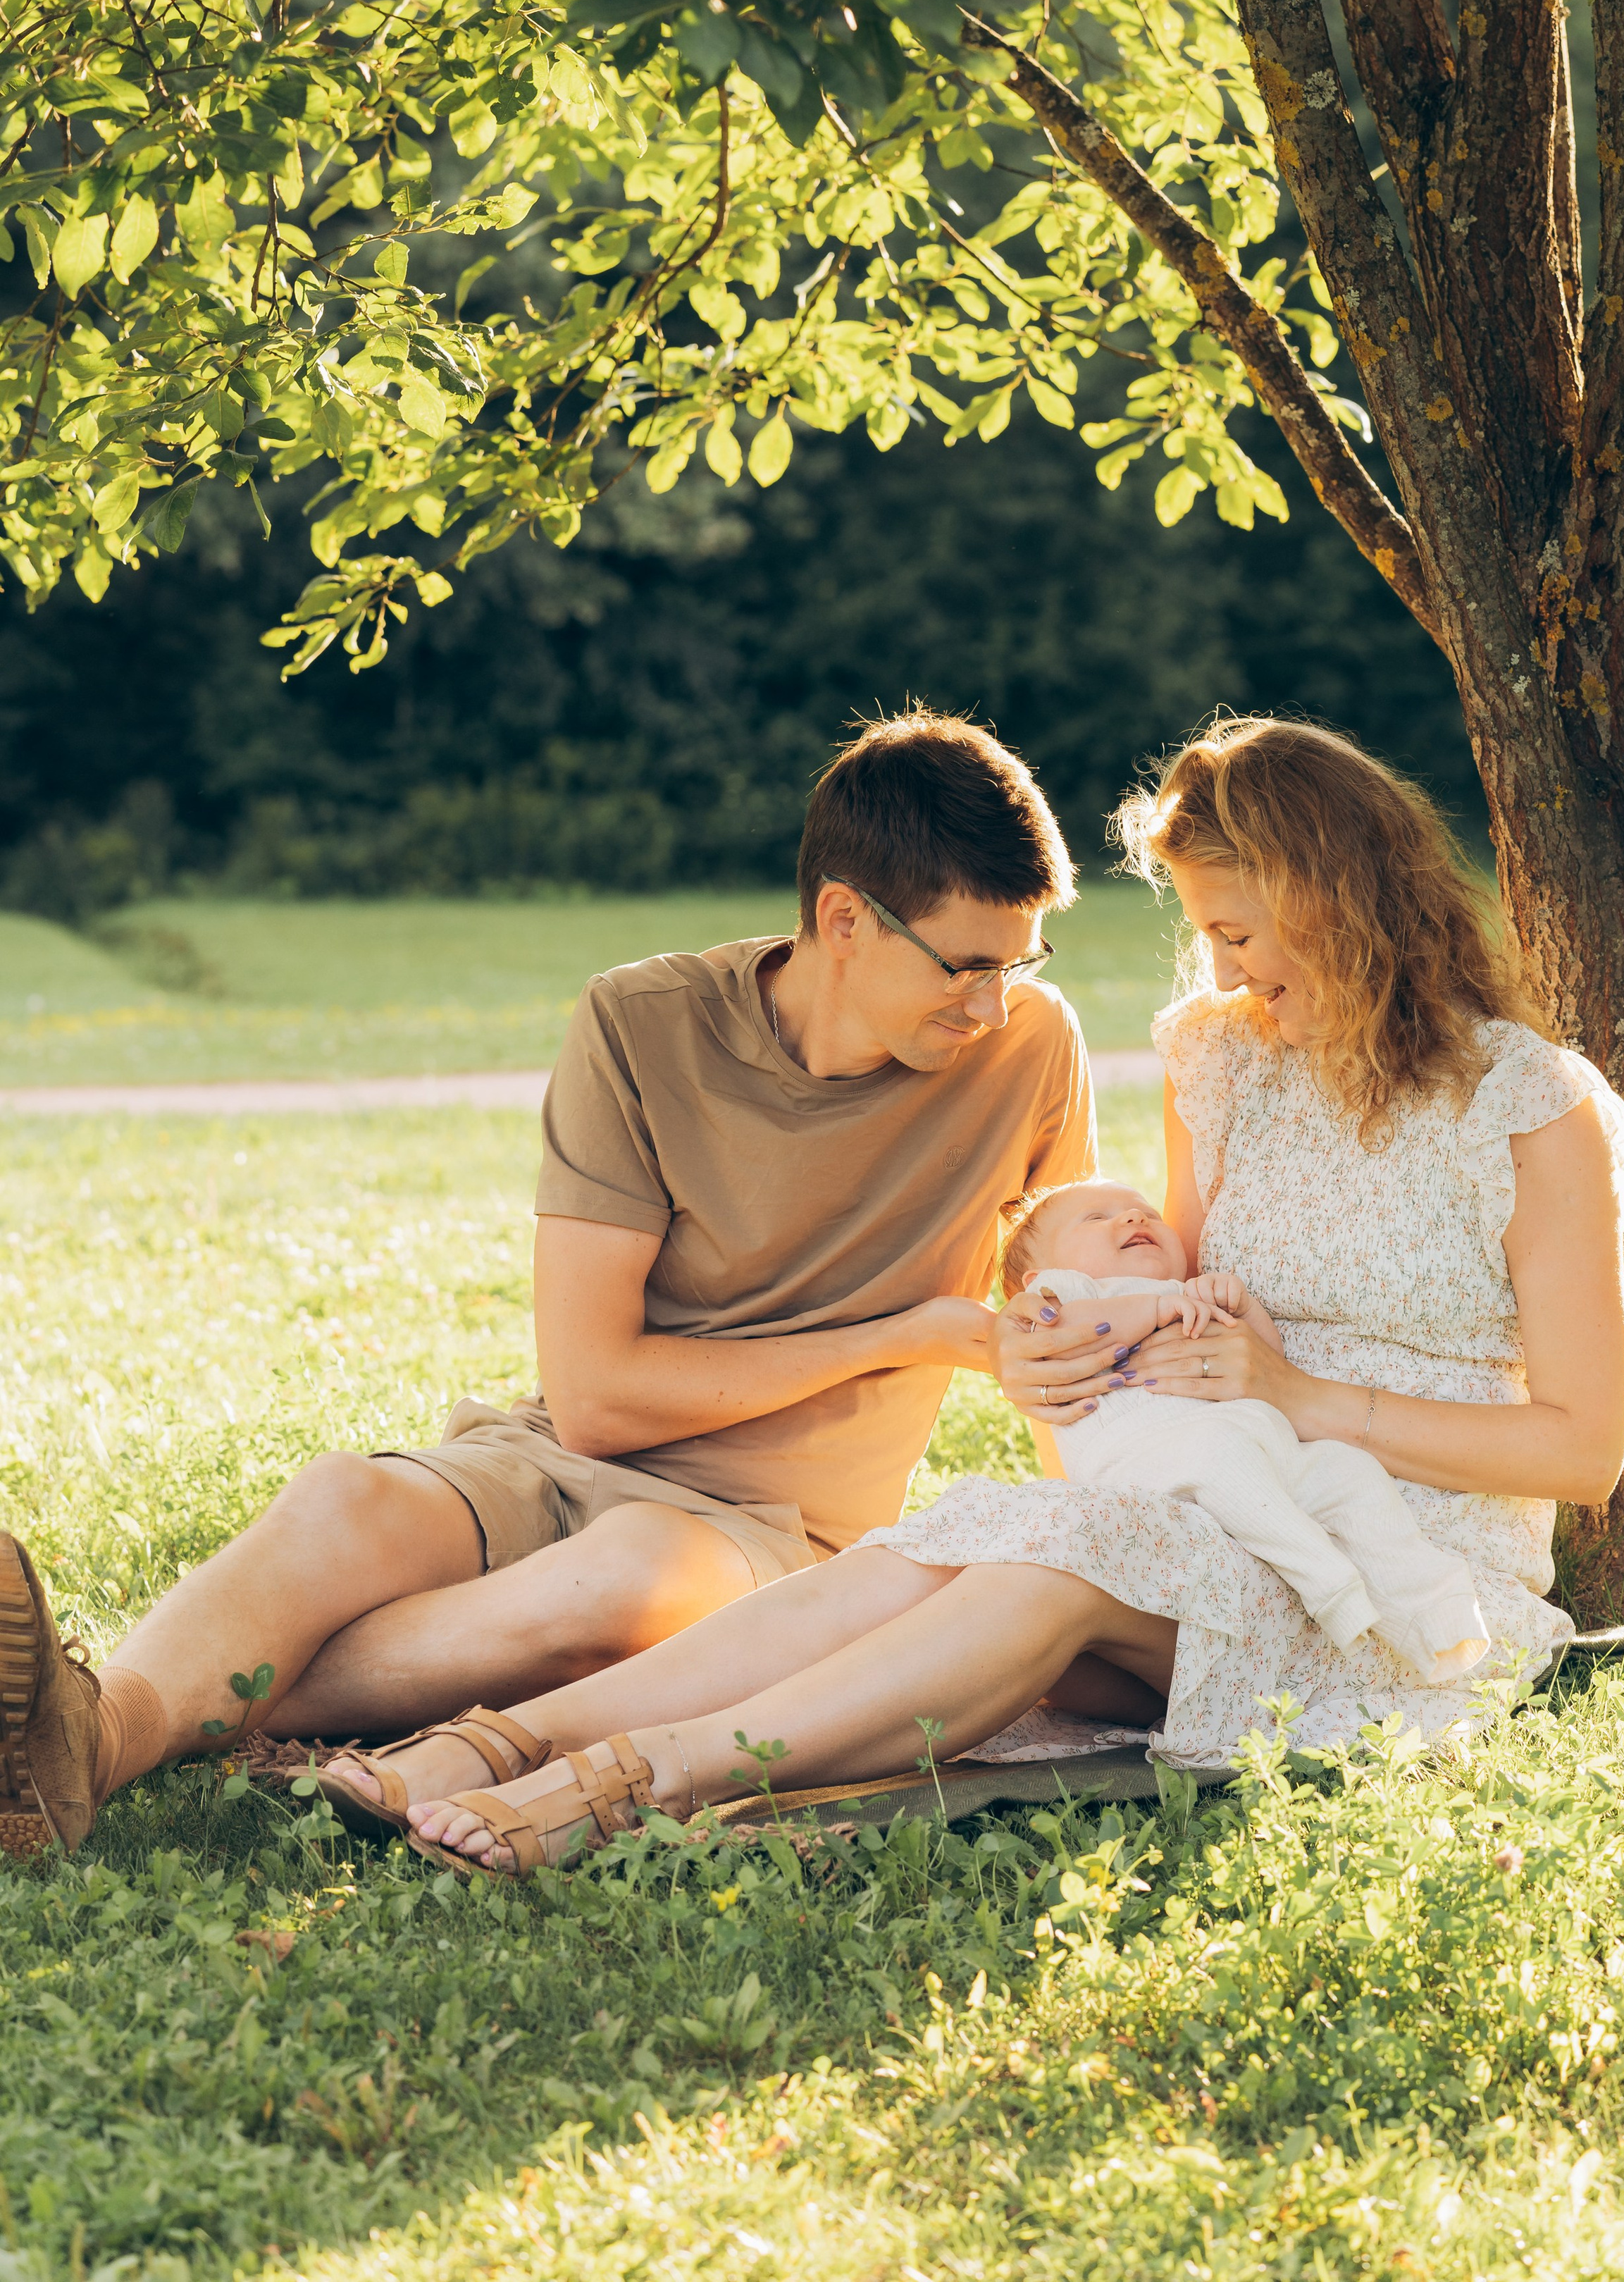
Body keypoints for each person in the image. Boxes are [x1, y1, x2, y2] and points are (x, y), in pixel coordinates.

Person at [303, 714, 1624, 1877]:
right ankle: (502, 1741)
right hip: (1204, 1497)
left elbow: (1583, 1450)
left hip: (1398, 1571)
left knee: (1042, 1570)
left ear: (1338, 896)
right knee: (935, 1554)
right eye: (1209, 937)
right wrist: (1088, 1351)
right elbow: (1165, 1292)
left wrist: (1305, 1398)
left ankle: (636, 1778)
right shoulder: (1226, 1062)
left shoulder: (1529, 1111)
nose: (1229, 970)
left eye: (1239, 930)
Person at [0, 711, 1096, 1854]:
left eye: (1019, 965)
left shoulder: (1029, 1054)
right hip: (555, 1454)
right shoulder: (641, 1024)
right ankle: (95, 1735)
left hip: (778, 1529)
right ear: (843, 920)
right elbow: (598, 1401)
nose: (995, 1006)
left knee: (612, 1588)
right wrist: (904, 1331)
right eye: (968, 966)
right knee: (342, 1498)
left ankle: (105, 1717)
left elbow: (1073, 1323)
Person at [1002, 1177, 1490, 1682]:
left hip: (1265, 1447)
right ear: (1044, 1275)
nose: (1133, 1217)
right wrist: (1154, 1308)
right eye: (1097, 1217)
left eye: (1143, 1209)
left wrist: (1244, 1311)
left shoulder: (1187, 1294)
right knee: (1220, 1455)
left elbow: (1267, 1368)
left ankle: (1434, 1611)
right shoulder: (1067, 1298)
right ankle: (1332, 1591)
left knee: (1352, 1475)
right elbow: (1060, 1337)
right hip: (1153, 1469)